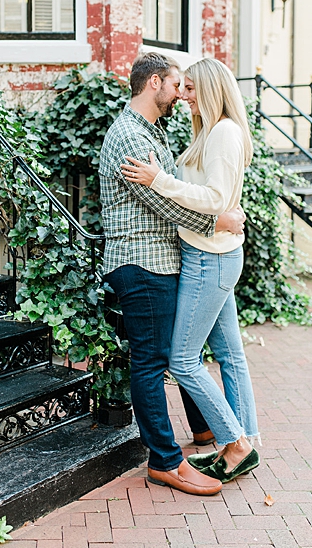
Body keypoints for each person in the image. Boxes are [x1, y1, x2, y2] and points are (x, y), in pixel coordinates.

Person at [98, 52, 245, 496]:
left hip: (164, 259)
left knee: (179, 351)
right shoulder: (127, 135)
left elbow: (180, 186)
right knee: (152, 360)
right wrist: (216, 222)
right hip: (141, 262)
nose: (182, 93)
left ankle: (203, 433)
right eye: (177, 85)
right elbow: (160, 204)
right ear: (154, 83)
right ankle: (165, 461)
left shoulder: (153, 131)